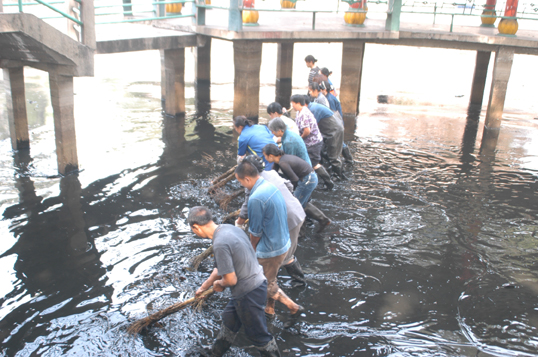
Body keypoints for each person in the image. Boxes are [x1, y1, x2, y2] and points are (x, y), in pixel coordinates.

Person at [189, 207, 280, 357]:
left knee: (258, 335)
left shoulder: (220, 244)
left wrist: (219, 285)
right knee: (229, 320)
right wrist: (203, 288)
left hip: (249, 291)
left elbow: (230, 280)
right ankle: (215, 353)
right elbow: (218, 270)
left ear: (196, 227)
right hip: (256, 282)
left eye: (193, 230)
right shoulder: (229, 229)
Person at [235, 162, 304, 325]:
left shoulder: (256, 198)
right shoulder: (270, 184)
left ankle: (293, 306)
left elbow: (256, 231)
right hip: (283, 241)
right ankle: (269, 309)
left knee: (263, 282)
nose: (241, 185)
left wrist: (250, 250)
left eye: (240, 182)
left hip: (271, 249)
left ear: (247, 178)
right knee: (270, 277)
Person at [236, 156, 307, 285]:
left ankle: (299, 282)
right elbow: (290, 186)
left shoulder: (252, 185)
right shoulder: (272, 173)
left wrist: (239, 224)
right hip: (297, 211)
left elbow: (247, 207)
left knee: (285, 255)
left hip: (287, 218)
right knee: (288, 248)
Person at [263, 144, 331, 233]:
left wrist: (290, 192)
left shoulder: (283, 163)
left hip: (307, 180)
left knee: (296, 205)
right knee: (302, 202)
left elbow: (294, 179)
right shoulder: (280, 160)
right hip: (308, 178)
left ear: (270, 156)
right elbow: (273, 173)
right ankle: (323, 220)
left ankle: (300, 233)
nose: (264, 158)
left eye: (265, 156)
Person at [290, 94, 334, 190]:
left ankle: (329, 182)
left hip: (313, 143)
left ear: (298, 103)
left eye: (293, 104)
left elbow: (307, 131)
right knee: (310, 162)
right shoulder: (300, 112)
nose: (292, 106)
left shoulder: (304, 114)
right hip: (311, 142)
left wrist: (299, 138)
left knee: (313, 163)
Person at [305, 96, 346, 180]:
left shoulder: (313, 110)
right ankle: (337, 171)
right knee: (325, 152)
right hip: (328, 129)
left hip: (334, 130)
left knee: (334, 155)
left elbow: (311, 126)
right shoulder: (312, 106)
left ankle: (338, 176)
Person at [321, 81, 353, 164]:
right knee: (339, 141)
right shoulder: (330, 97)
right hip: (338, 122)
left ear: (324, 89)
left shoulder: (329, 99)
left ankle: (348, 159)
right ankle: (348, 159)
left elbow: (332, 114)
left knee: (338, 142)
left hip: (336, 123)